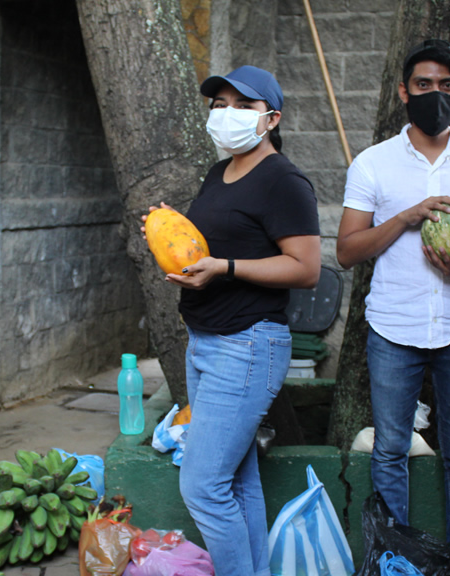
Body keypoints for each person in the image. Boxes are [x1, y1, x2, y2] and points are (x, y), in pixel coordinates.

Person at [142, 65, 320, 576]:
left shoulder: (284, 180)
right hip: (207, 341)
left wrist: (225, 267)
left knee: (201, 485)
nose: (227, 114)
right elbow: (211, 243)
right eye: (219, 105)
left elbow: (305, 269)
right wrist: (165, 227)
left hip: (247, 345)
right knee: (237, 481)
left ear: (271, 118)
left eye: (243, 106)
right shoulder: (218, 173)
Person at [336, 39, 450, 574]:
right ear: (405, 91)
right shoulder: (373, 163)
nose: (435, 93)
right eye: (424, 84)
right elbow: (346, 251)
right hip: (392, 327)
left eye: (446, 85)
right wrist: (406, 217)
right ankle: (397, 563)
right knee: (390, 449)